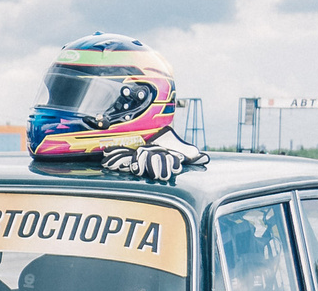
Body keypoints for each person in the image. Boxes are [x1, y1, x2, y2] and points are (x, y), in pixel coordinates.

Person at [25, 35, 207, 182]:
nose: (60, 105)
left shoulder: (178, 172)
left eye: (75, 96)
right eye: (60, 95)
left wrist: (151, 187)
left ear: (137, 103)